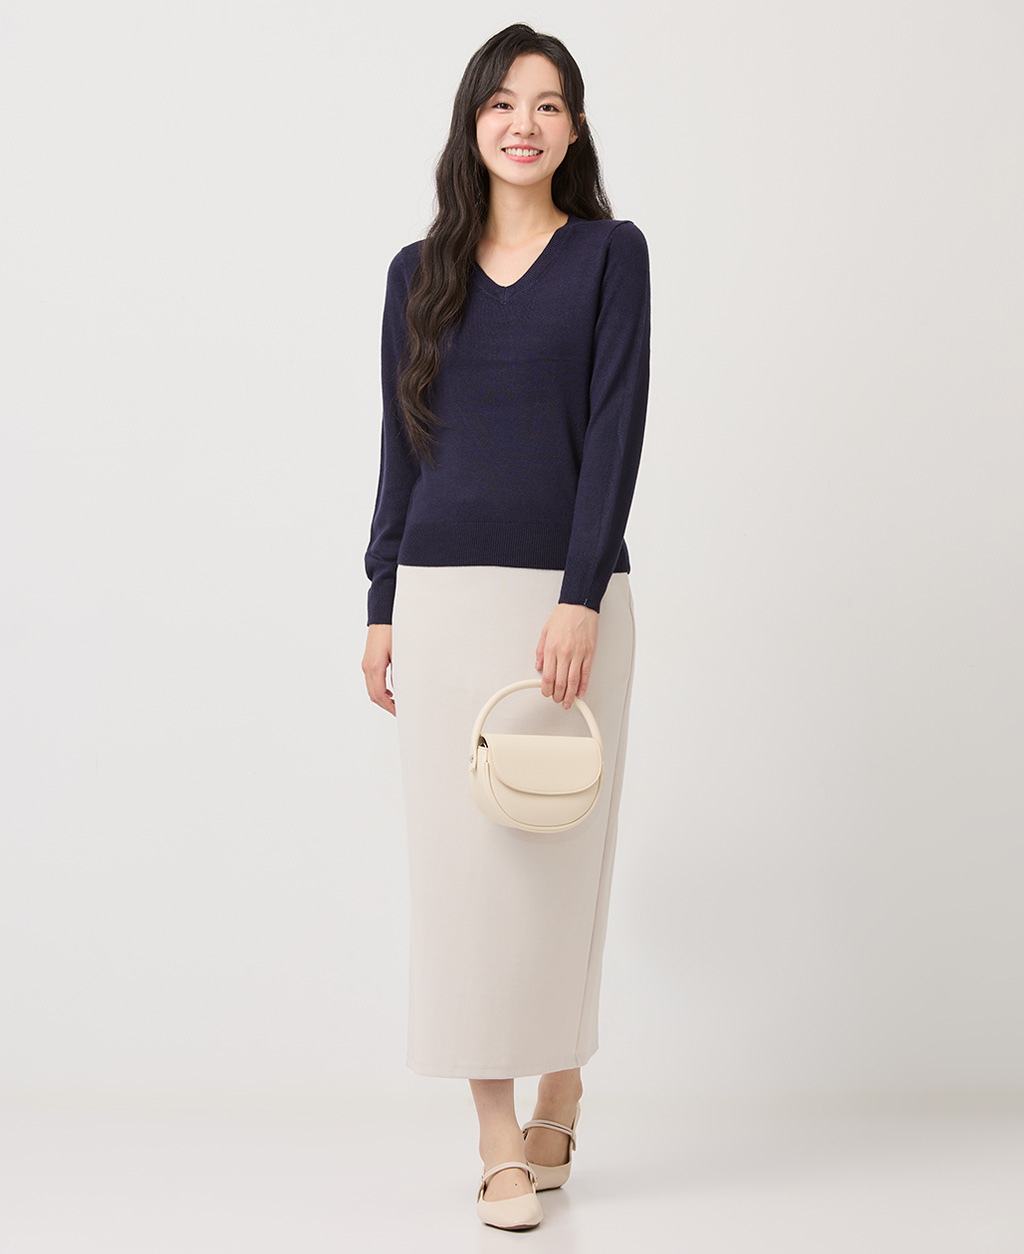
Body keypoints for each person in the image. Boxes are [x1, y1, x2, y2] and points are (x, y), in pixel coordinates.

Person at [361, 23, 651, 1231]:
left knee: (558, 862)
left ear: (573, 129)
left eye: (546, 104)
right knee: (464, 880)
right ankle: (496, 1135)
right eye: (501, 102)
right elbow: (399, 445)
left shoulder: (610, 255)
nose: (522, 123)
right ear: (471, 122)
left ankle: (561, 1078)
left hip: (565, 603)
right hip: (441, 601)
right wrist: (380, 599)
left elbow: (617, 425)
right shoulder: (415, 273)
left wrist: (577, 592)